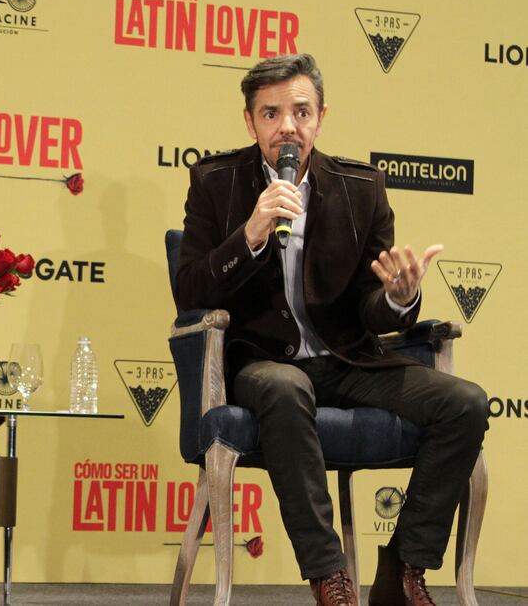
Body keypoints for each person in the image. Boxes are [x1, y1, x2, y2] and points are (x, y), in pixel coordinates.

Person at [174, 53, 487, 606]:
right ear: (250, 122)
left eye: (300, 111)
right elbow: (191, 291)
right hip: (261, 361)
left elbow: (372, 305)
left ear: (321, 116)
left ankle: (404, 568)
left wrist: (399, 297)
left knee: (464, 402)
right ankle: (330, 577)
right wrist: (251, 231)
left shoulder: (360, 189)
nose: (287, 126)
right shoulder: (216, 183)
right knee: (286, 385)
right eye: (270, 114)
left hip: (346, 359)